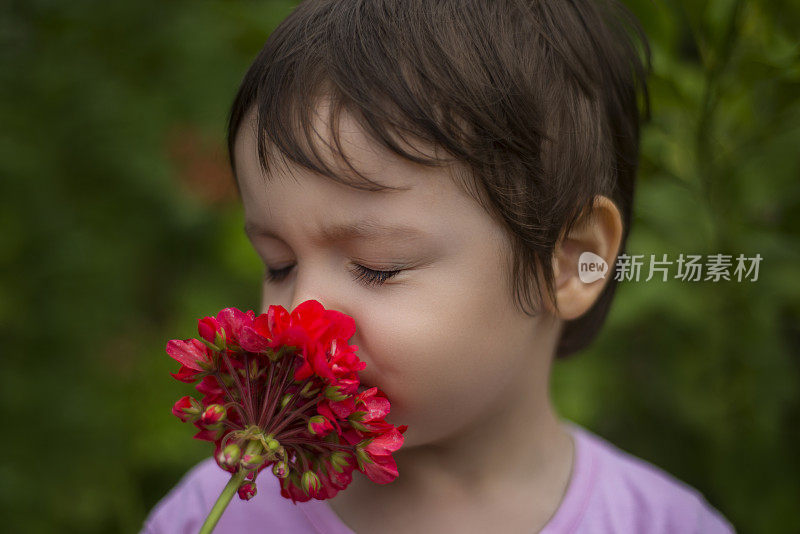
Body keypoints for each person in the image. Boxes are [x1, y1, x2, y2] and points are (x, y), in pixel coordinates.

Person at [143, 0, 736, 532]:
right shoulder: (214, 515)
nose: (300, 315)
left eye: (378, 267)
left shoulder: (662, 524)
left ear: (568, 262)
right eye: (278, 264)